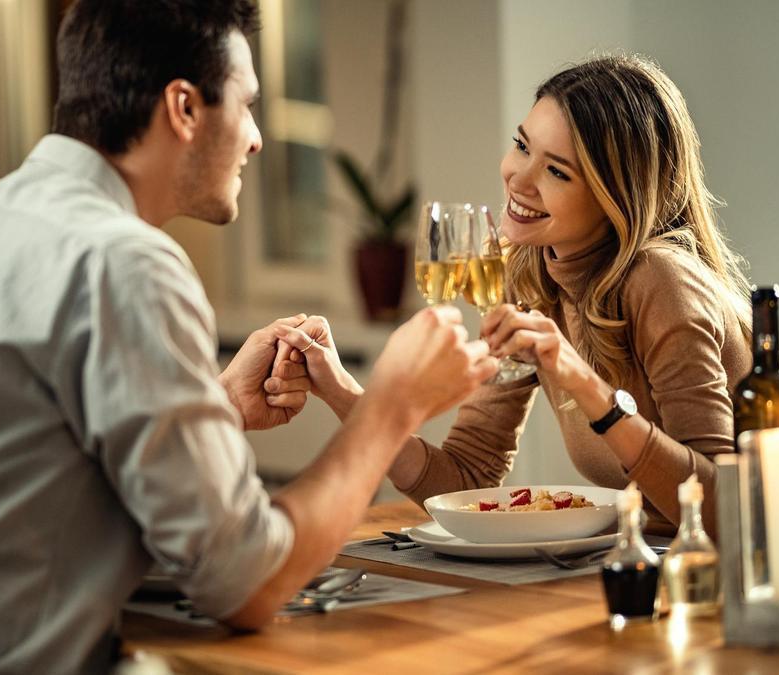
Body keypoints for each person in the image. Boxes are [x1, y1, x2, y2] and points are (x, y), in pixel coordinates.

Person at [0, 2, 496, 673]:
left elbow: (10, 462)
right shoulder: (125, 262)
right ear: (184, 108)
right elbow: (247, 584)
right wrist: (389, 408)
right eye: (247, 104)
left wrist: (217, 406)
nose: (257, 137)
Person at [280, 55, 750, 538]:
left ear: (617, 194)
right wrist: (341, 392)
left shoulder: (661, 280)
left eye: (558, 172)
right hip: (639, 563)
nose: (519, 179)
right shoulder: (527, 275)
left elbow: (721, 511)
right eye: (522, 146)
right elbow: (468, 475)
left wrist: (587, 388)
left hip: (746, 577)